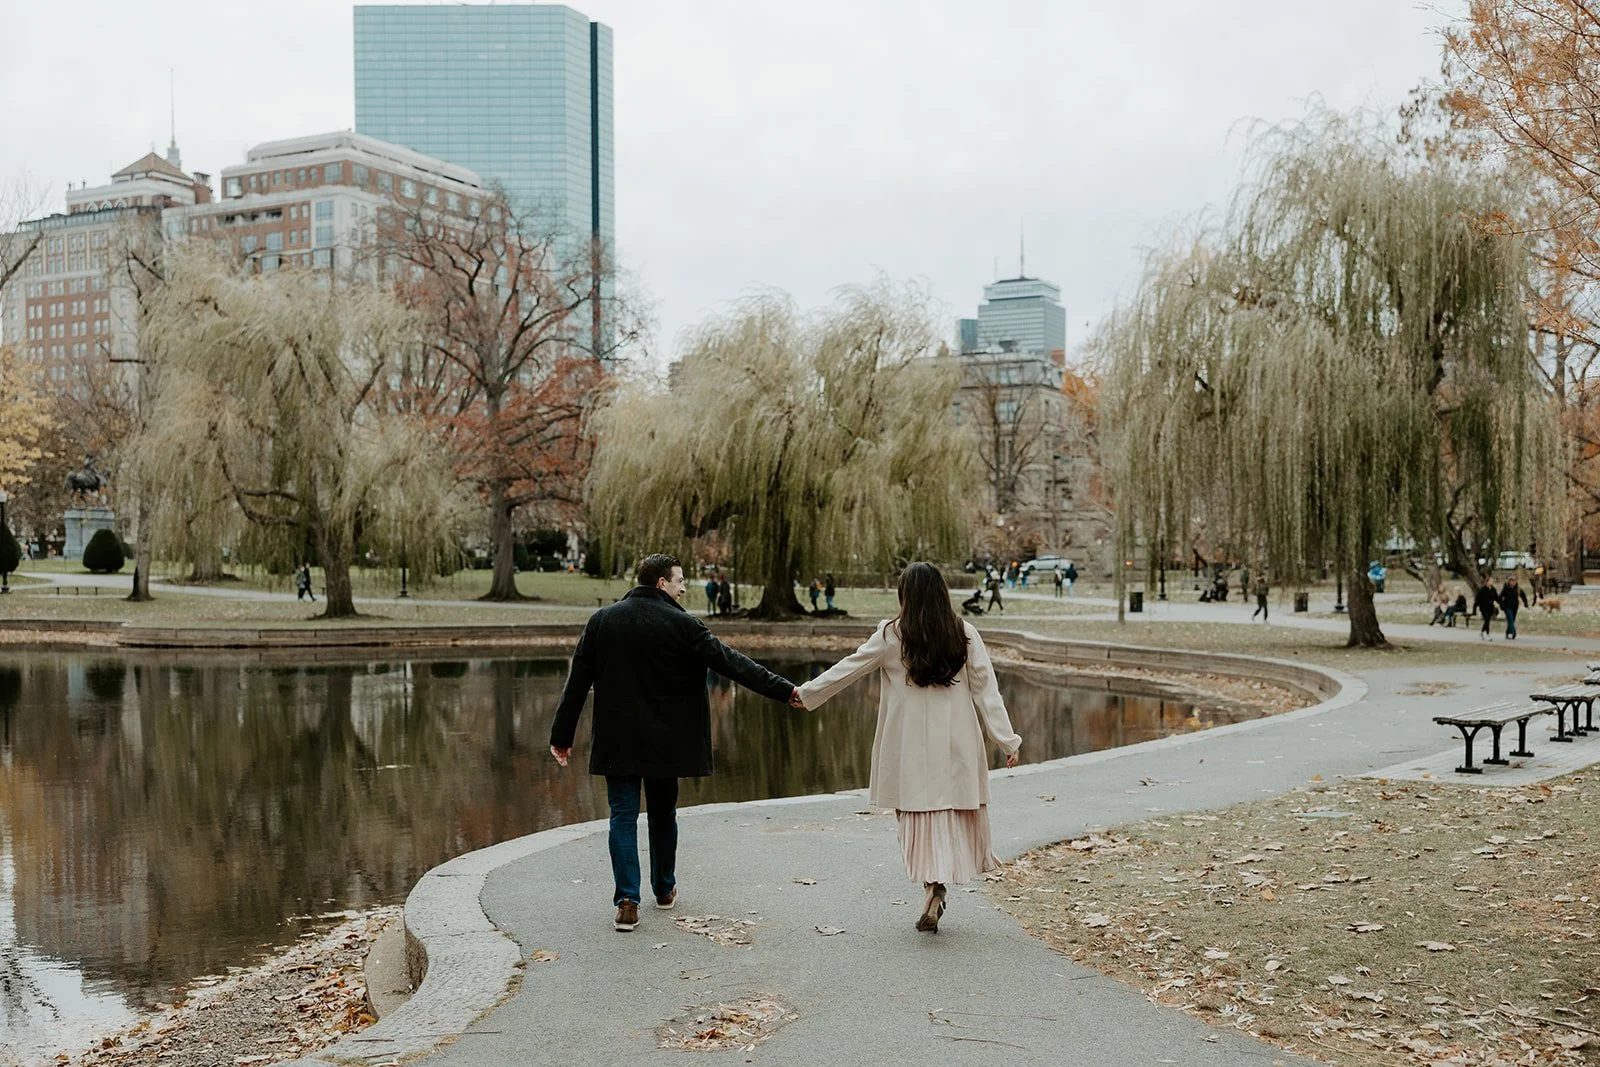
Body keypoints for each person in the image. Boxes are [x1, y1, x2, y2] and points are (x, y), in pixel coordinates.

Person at [549, 554, 803, 932]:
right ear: (660, 584)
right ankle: (664, 890)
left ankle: (627, 901)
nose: (684, 587)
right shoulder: (684, 625)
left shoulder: (603, 621)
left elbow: (577, 683)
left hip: (618, 739)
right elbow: (733, 664)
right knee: (663, 813)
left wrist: (562, 737)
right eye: (680, 580)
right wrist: (785, 691)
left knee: (621, 815)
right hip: (666, 740)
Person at [796, 562, 1021, 934]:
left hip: (908, 742)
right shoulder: (964, 633)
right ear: (942, 593)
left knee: (915, 814)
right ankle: (937, 884)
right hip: (957, 740)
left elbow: (849, 668)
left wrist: (806, 694)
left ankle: (931, 884)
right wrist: (1006, 740)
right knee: (949, 811)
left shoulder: (891, 636)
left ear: (906, 596)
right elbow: (986, 691)